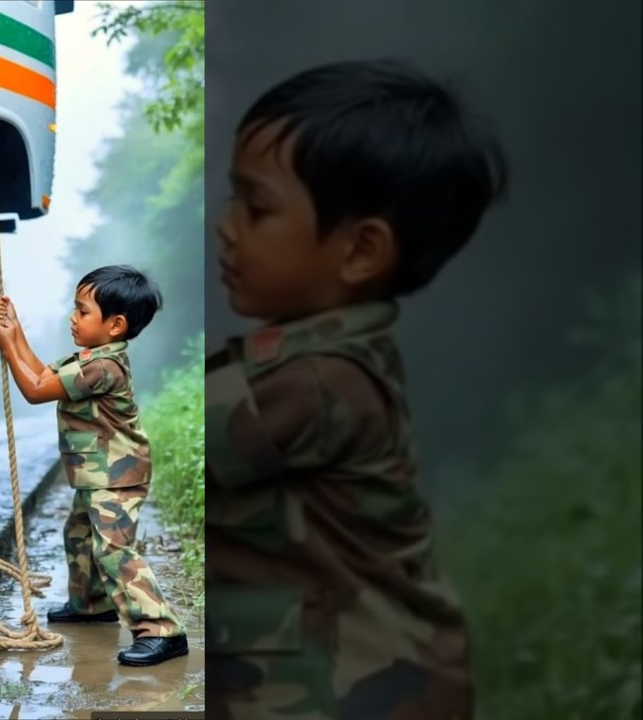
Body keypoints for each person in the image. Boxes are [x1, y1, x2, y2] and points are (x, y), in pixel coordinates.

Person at [207, 59, 509, 719]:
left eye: (256, 208)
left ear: (360, 252)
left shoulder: (316, 381)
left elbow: (155, 444)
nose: (227, 226)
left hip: (360, 692)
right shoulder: (317, 355)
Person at [0, 265, 189, 666]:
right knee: (79, 533)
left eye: (82, 311)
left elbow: (35, 390)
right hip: (98, 473)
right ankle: (91, 605)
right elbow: (45, 373)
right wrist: (17, 329)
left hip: (117, 475)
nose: (72, 318)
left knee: (113, 548)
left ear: (115, 325)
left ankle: (162, 630)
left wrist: (7, 346)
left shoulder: (104, 367)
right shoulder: (92, 357)